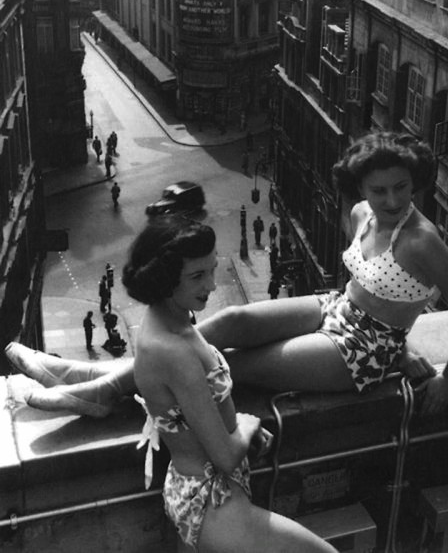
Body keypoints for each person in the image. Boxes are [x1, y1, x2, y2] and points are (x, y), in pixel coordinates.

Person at [5, 131, 448, 419]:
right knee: (232, 320)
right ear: (360, 187)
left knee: (229, 364)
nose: (392, 200)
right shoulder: (360, 213)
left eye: (401, 187)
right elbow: (363, 285)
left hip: (363, 352)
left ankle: (97, 386)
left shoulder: (422, 240)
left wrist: (447, 378)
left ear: (415, 181)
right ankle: (92, 376)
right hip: (336, 309)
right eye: (378, 189)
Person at [126, 215, 339, 551]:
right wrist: (246, 423)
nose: (211, 285)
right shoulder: (171, 350)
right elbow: (225, 456)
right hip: (213, 505)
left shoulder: (172, 319)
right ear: (164, 280)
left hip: (209, 494)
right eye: (197, 276)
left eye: (212, 269)